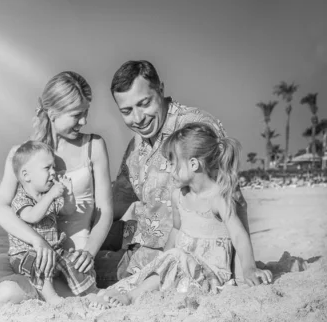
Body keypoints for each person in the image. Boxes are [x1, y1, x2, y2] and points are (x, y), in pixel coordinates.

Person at [0, 71, 114, 310]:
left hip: (70, 260)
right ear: (52, 114)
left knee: (4, 296)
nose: (83, 121)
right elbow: (1, 210)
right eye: (76, 115)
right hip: (28, 252)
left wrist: (90, 253)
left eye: (86, 113)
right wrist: (37, 242)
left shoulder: (94, 146)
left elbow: (104, 211)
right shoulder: (22, 155)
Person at [90, 123, 273, 308]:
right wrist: (161, 261)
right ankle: (120, 292)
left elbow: (238, 235)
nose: (169, 170)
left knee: (175, 258)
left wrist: (249, 268)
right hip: (180, 267)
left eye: (172, 163)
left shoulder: (218, 197)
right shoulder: (178, 196)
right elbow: (176, 231)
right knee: (158, 266)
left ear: (193, 164)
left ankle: (132, 297)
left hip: (208, 276)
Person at [102, 60, 251, 286]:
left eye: (144, 103)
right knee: (75, 256)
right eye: (127, 111)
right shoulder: (136, 146)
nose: (138, 118)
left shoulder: (193, 128)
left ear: (160, 90)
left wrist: (244, 270)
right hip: (138, 243)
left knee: (77, 275)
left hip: (178, 260)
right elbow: (117, 202)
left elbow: (231, 197)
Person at [8, 140, 97, 305]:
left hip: (52, 251)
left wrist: (69, 194)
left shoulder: (47, 195)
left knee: (73, 262)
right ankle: (51, 298)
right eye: (47, 168)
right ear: (26, 175)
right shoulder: (21, 198)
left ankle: (88, 291)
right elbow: (32, 216)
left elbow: (67, 210)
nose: (53, 172)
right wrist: (51, 196)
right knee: (39, 263)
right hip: (25, 255)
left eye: (54, 167)